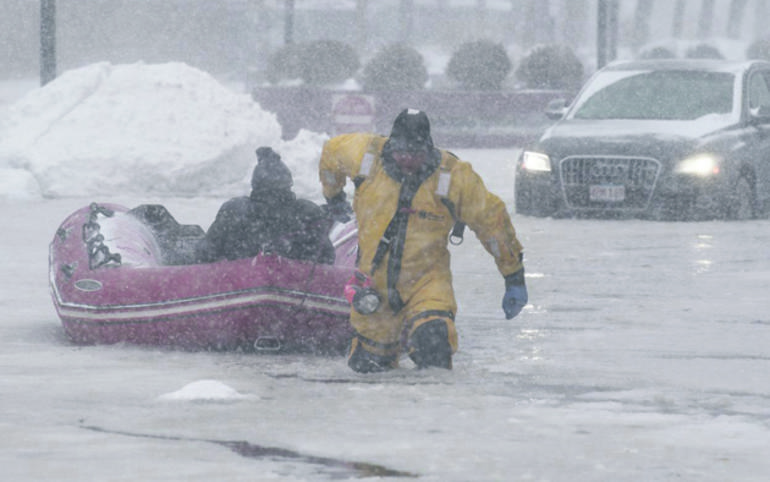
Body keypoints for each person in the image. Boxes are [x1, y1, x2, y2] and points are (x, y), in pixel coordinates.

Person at [319, 108, 528, 373]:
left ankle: (434, 397)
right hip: (374, 286)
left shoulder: (454, 177)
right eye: (401, 152)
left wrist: (513, 276)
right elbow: (330, 155)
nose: (407, 160)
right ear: (390, 145)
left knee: (434, 342)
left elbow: (493, 224)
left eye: (415, 153)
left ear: (428, 148)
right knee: (369, 367)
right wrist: (333, 196)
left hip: (427, 282)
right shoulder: (364, 156)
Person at [196, 146, 335, 264]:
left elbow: (205, 254)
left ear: (255, 184)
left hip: (238, 283)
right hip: (297, 283)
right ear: (288, 184)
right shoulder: (307, 213)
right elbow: (328, 258)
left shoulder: (234, 211)